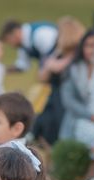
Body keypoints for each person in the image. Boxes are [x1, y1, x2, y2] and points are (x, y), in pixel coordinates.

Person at [32, 16, 85, 146]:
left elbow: (59, 67)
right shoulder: (57, 52)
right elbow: (42, 77)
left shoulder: (80, 55)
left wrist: (53, 65)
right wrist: (51, 64)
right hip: (53, 100)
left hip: (68, 100)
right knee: (43, 127)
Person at [58, 29, 94, 145]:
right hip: (78, 118)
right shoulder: (73, 69)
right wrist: (91, 116)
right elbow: (68, 100)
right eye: (89, 46)